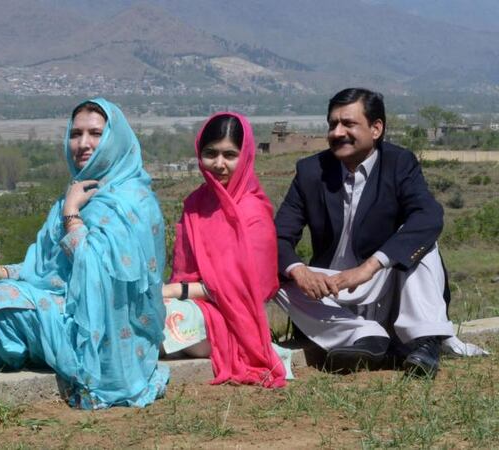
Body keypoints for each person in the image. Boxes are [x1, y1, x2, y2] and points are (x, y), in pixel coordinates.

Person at [0, 98, 169, 409]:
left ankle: (71, 357)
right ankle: (53, 350)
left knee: (0, 303)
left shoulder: (133, 201)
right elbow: (45, 268)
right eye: (75, 134)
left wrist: (72, 214)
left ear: (115, 140)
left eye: (96, 134)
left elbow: (97, 273)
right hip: (64, 308)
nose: (83, 144)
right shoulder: (74, 193)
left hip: (111, 331)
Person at [273, 87, 454, 377]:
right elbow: (278, 236)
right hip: (331, 292)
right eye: (332, 124)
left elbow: (428, 216)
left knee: (421, 243)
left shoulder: (399, 164)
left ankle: (423, 342)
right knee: (272, 273)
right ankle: (367, 337)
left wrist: (369, 267)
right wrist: (300, 271)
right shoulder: (311, 171)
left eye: (348, 124)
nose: (337, 132)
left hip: (381, 283)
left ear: (376, 128)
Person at [161, 112, 288, 388]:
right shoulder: (195, 204)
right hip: (195, 308)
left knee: (157, 317)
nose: (219, 164)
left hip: (235, 320)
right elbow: (185, 270)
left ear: (246, 156)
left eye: (230, 155)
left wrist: (176, 290)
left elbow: (250, 287)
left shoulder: (253, 212)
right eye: (211, 153)